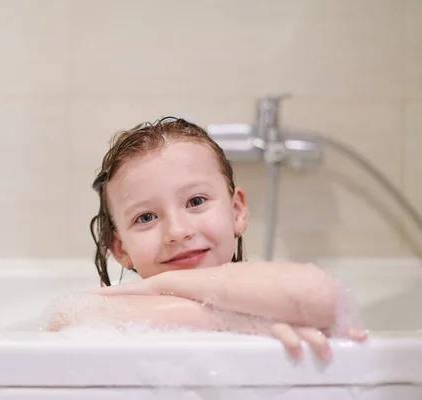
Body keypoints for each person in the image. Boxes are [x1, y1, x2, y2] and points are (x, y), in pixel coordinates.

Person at [45, 117, 367, 361]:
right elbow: (64, 320)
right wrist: (231, 320)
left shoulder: (260, 283)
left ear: (237, 211)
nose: (177, 231)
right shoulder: (111, 313)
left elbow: (325, 297)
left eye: (196, 201)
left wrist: (159, 287)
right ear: (120, 249)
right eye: (146, 217)